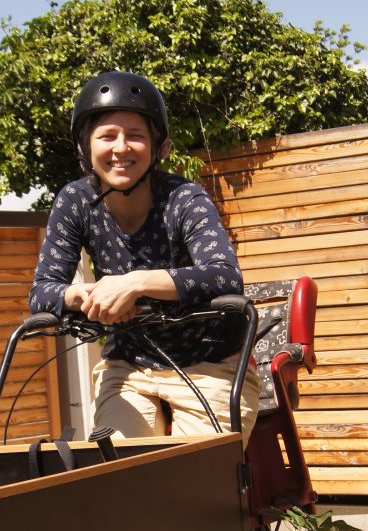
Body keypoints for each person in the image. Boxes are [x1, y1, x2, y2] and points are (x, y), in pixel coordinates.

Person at [29, 69, 261, 444]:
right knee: (117, 472)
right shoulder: (74, 202)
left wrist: (134, 284)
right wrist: (87, 295)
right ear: (85, 147)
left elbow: (224, 276)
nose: (121, 148)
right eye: (107, 136)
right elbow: (42, 291)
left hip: (209, 359)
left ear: (159, 148)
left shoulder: (184, 198)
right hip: (130, 361)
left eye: (135, 136)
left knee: (201, 476)